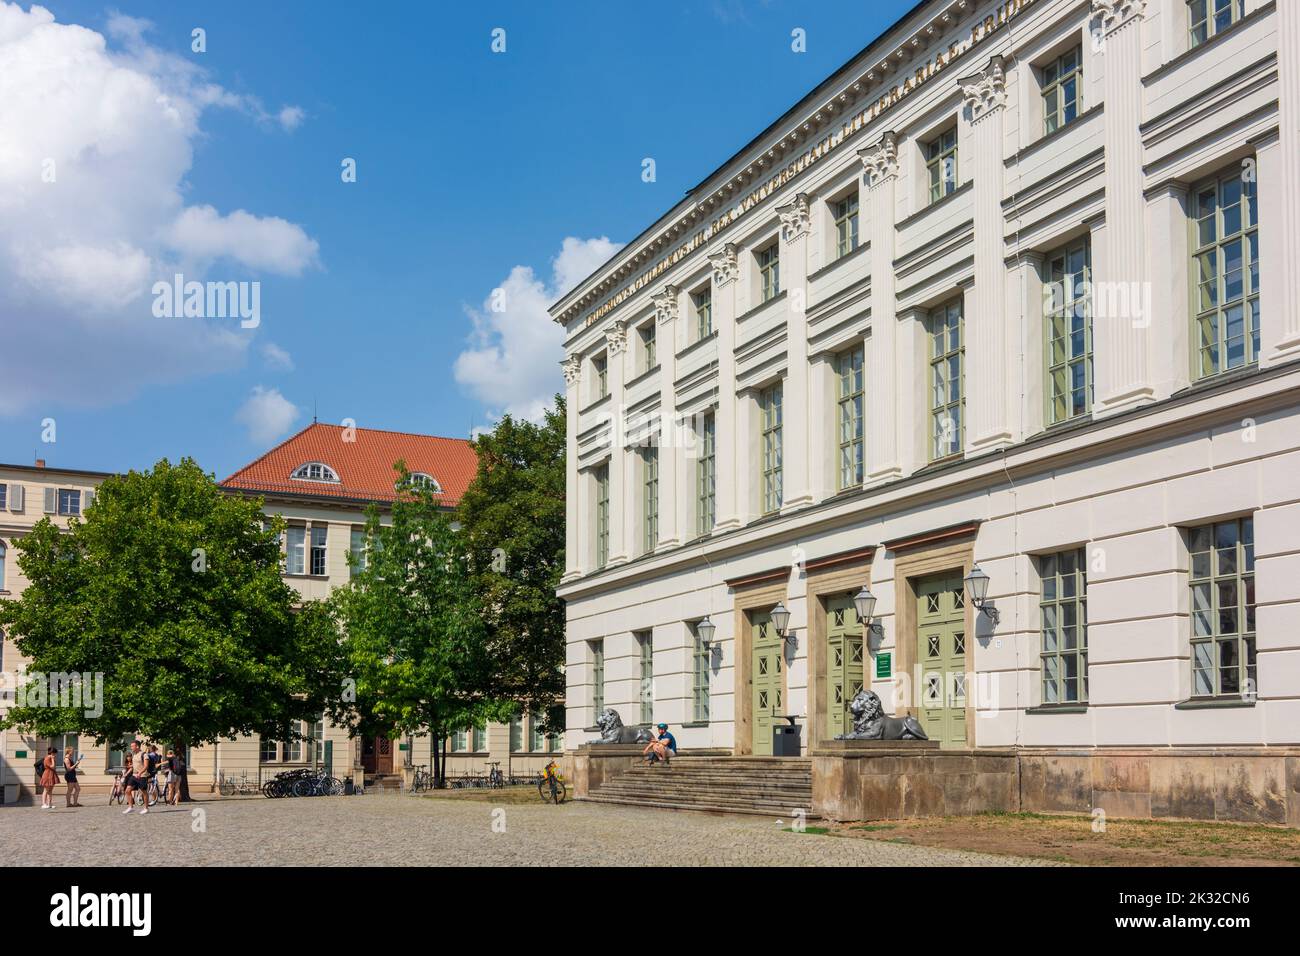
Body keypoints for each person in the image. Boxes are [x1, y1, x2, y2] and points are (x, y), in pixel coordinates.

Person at [123, 740, 148, 814]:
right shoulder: (134, 755)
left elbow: (146, 766)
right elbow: (134, 765)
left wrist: (140, 772)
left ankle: (146, 808)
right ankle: (131, 807)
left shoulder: (144, 754)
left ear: (137, 746)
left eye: (132, 746)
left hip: (142, 776)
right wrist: (128, 767)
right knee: (127, 790)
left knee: (144, 792)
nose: (131, 747)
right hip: (134, 776)